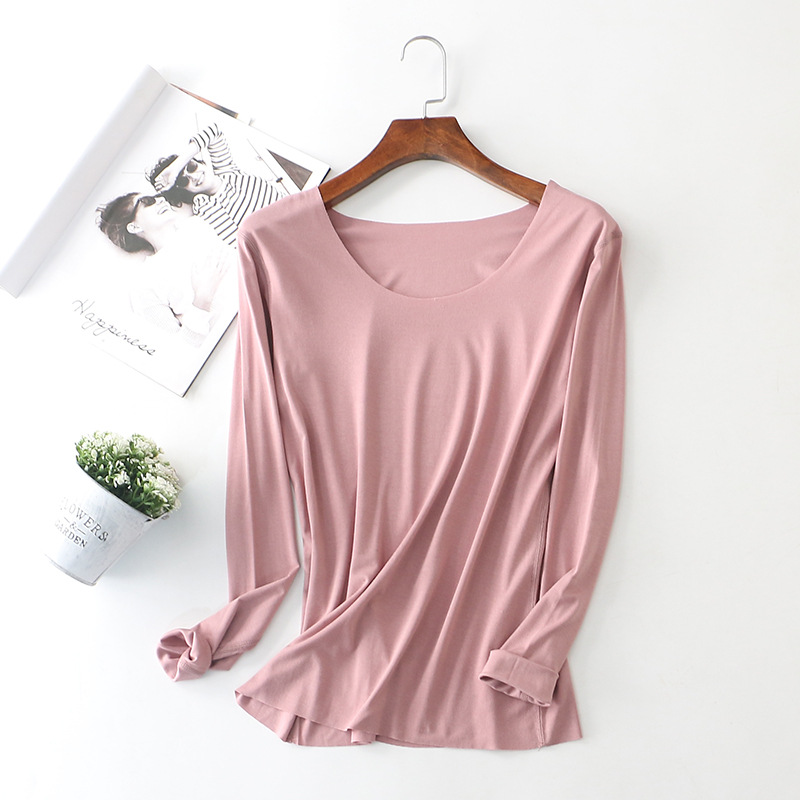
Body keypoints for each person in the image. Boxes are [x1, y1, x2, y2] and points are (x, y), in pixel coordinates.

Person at [96, 192, 236, 344]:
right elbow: (180, 349)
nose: (161, 200)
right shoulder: (144, 284)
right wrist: (202, 299)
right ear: (134, 226)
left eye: (158, 196)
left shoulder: (199, 225)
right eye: (148, 201)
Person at [148, 123, 288, 246]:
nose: (194, 176)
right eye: (184, 181)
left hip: (295, 213)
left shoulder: (227, 169)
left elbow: (214, 132)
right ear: (184, 192)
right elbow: (240, 244)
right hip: (282, 242)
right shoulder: (205, 206)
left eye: (191, 166)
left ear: (200, 162)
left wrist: (177, 166)